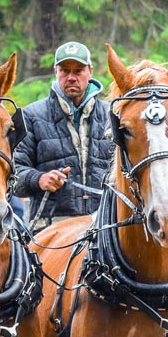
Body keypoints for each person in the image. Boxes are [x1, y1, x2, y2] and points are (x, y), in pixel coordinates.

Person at [12, 41, 116, 230]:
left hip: (105, 227)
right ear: (56, 71)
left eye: (78, 70)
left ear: (90, 72)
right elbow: (12, 175)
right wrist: (39, 179)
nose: (71, 77)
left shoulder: (112, 116)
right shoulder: (31, 116)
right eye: (65, 70)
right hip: (50, 230)